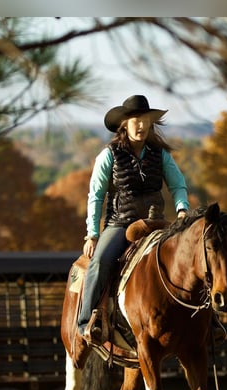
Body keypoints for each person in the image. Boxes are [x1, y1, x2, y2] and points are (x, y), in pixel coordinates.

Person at [76, 95, 190, 345]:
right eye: (136, 120)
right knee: (98, 263)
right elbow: (95, 196)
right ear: (124, 124)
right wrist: (92, 234)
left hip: (156, 224)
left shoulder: (160, 155)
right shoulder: (110, 155)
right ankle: (87, 322)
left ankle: (205, 322)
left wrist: (182, 210)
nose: (141, 125)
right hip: (120, 224)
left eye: (146, 121)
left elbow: (178, 185)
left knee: (191, 256)